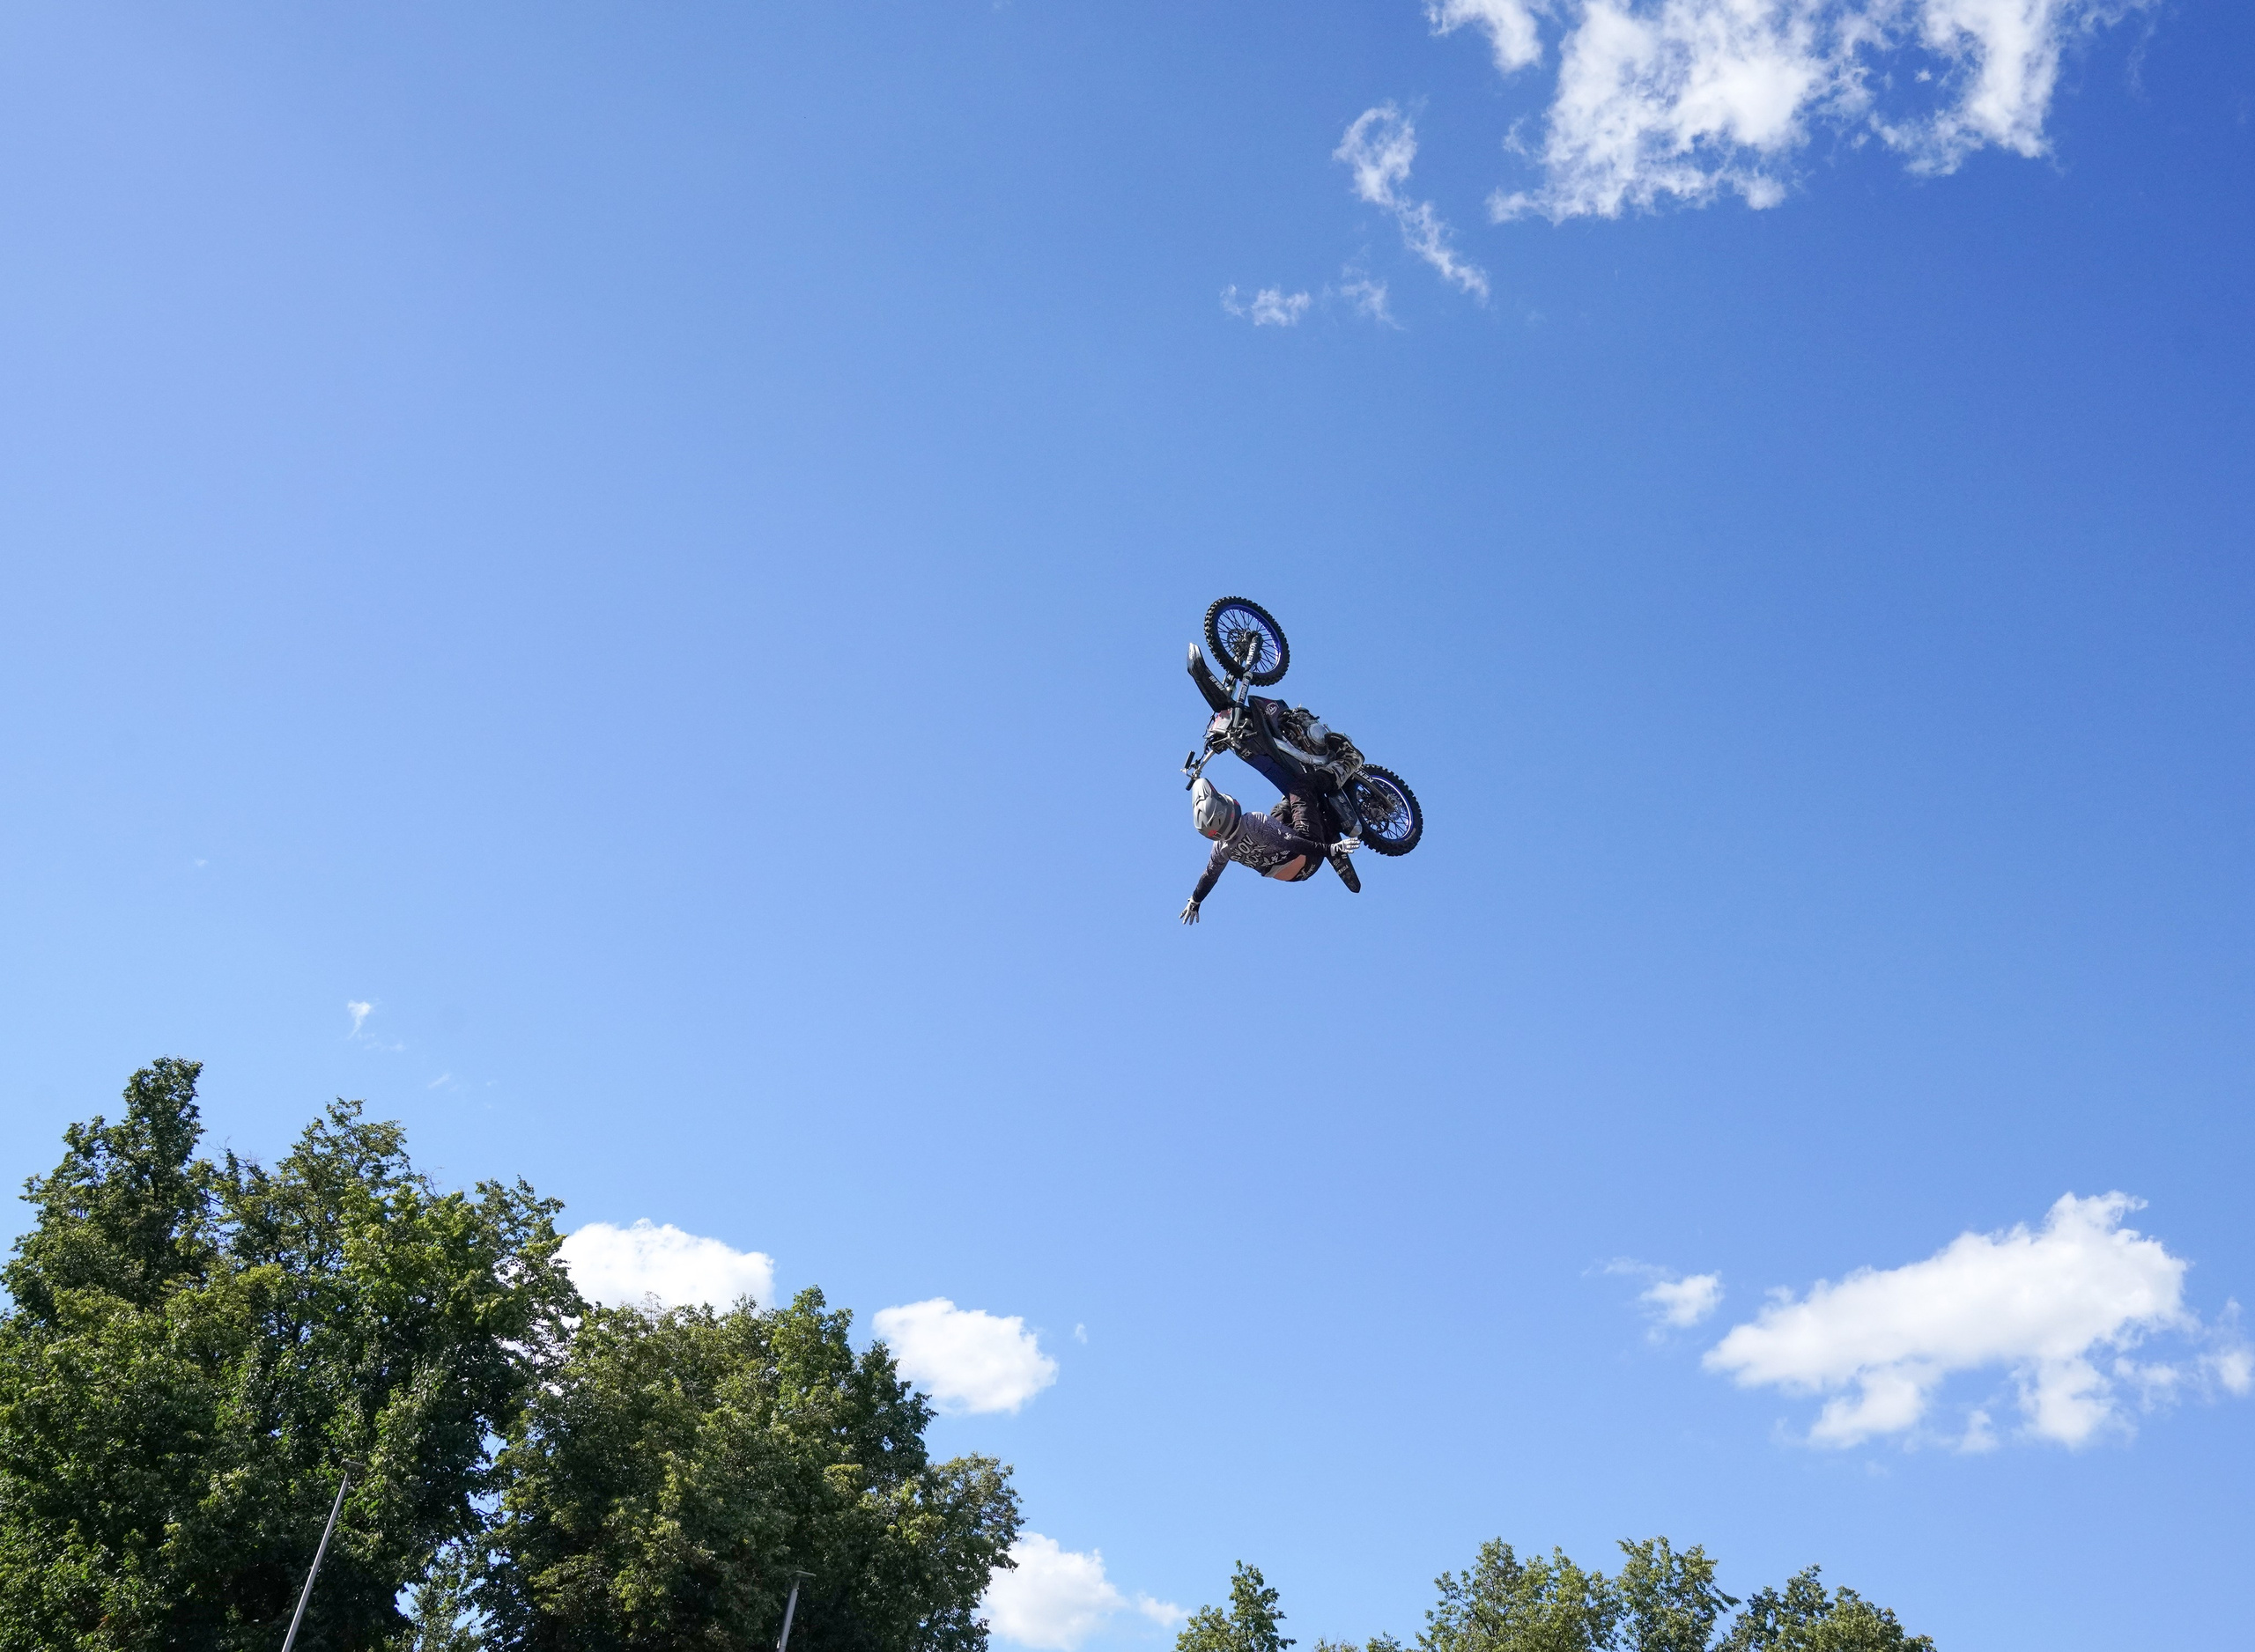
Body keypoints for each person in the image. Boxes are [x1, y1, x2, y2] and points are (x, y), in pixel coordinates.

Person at [1179, 777, 1357, 923]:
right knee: (1300, 787)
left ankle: (1320, 825)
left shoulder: (1220, 848)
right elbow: (1291, 842)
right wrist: (1330, 849)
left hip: (1294, 875)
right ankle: (1340, 776)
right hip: (1308, 854)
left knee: (1280, 810)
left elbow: (1209, 876)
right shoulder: (1253, 822)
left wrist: (1195, 900)